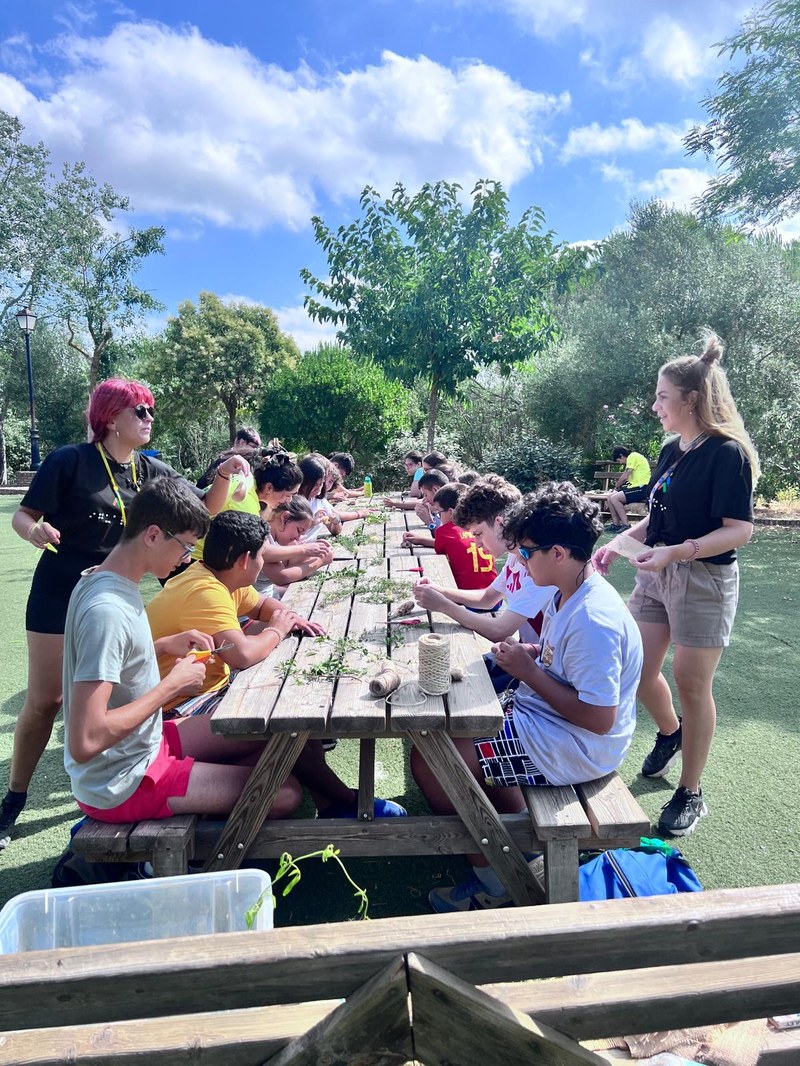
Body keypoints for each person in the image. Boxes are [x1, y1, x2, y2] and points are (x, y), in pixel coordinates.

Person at [1, 379, 246, 848]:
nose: (149, 418)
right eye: (140, 410)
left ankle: (114, 786)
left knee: (115, 681)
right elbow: (22, 515)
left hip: (121, 587)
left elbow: (194, 515)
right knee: (46, 700)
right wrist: (34, 531)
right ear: (110, 417)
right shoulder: (70, 461)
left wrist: (222, 474)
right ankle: (14, 798)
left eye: (151, 410)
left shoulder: (150, 469)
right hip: (64, 588)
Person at [414, 481, 643, 912]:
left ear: (557, 553)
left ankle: (499, 880)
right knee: (443, 728)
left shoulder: (593, 617)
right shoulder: (569, 590)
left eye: (525, 550)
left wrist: (528, 671)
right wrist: (535, 655)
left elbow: (598, 719)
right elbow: (566, 665)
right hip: (549, 723)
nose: (517, 557)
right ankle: (516, 843)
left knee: (432, 759)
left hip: (578, 745)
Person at [593, 332, 758, 837]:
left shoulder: (727, 453)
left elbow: (740, 530)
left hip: (703, 577)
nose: (655, 404)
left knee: (691, 684)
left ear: (691, 399)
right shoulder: (670, 449)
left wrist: (679, 552)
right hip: (657, 572)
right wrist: (620, 544)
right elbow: (656, 519)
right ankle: (671, 735)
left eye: (662, 396)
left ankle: (691, 792)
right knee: (638, 669)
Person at [61, 478, 302, 823]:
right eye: (185, 545)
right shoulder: (107, 611)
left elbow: (106, 660)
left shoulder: (100, 580)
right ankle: (158, 859)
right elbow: (85, 740)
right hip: (122, 780)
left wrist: (158, 646)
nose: (186, 557)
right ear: (153, 534)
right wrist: (172, 686)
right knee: (284, 791)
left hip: (143, 741)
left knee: (272, 736)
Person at [146, 509, 406, 818]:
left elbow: (261, 606)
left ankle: (332, 803)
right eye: (262, 555)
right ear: (245, 559)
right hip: (172, 710)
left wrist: (286, 616)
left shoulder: (217, 575)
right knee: (282, 727)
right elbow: (242, 654)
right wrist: (278, 629)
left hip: (202, 695)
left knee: (295, 720)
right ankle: (347, 803)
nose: (264, 563)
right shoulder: (205, 591)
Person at [412, 475, 553, 691]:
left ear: (500, 523)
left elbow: (500, 630)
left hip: (542, 670)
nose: (476, 543)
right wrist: (439, 590)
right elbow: (487, 598)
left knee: (457, 690)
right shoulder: (517, 557)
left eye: (478, 534)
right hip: (525, 654)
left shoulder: (539, 566)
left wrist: (442, 605)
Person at [402, 483, 498, 591]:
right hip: (494, 596)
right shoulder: (477, 528)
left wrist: (421, 539)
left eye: (439, 512)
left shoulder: (443, 531)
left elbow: (443, 548)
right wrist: (421, 540)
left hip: (467, 598)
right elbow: (457, 543)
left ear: (451, 512)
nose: (438, 516)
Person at [259, 497, 334, 595]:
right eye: (299, 530)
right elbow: (282, 577)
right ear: (285, 518)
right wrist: (320, 561)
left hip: (266, 592)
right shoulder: (263, 536)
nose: (297, 537)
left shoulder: (273, 537)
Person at [196, 426, 261, 489]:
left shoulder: (254, 462)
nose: (255, 451)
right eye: (253, 447)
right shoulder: (223, 460)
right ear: (241, 442)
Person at [605, 445, 652, 533]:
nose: (620, 463)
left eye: (619, 460)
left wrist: (616, 487)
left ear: (621, 456)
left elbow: (625, 476)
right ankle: (616, 525)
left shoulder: (633, 456)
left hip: (643, 488)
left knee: (615, 498)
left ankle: (626, 525)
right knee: (610, 497)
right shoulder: (632, 458)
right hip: (635, 488)